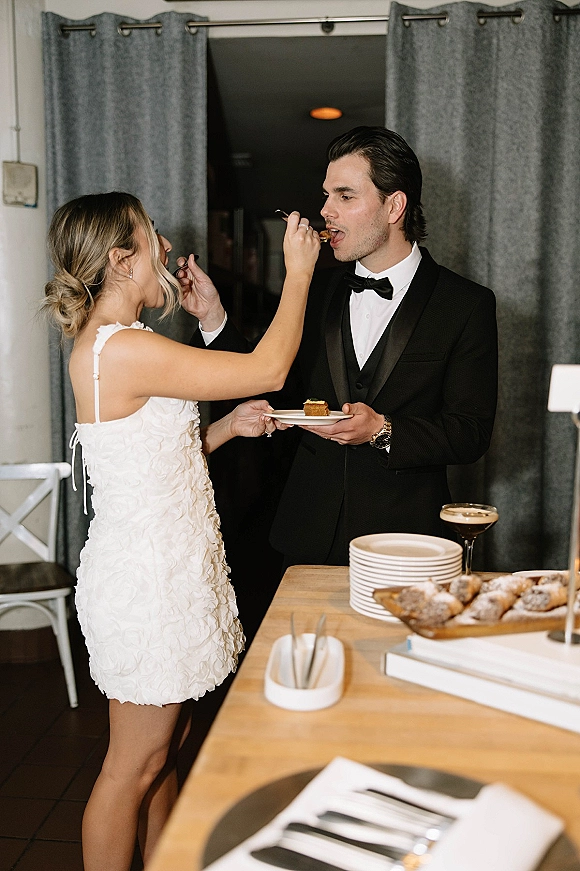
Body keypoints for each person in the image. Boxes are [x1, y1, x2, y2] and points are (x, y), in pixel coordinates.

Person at [42, 192, 319, 871]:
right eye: (152, 235)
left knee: (162, 755)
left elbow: (151, 464)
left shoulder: (120, 346)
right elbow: (270, 368)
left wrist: (226, 427)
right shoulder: (125, 347)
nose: (166, 247)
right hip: (149, 585)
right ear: (121, 258)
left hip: (167, 571)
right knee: (130, 769)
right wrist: (299, 272)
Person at [178, 126, 498, 569]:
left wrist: (383, 430)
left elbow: (470, 432)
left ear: (395, 206)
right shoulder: (313, 289)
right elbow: (265, 380)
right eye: (326, 196)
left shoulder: (465, 304)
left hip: (410, 540)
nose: (325, 211)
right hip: (308, 534)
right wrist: (213, 316)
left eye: (345, 196)